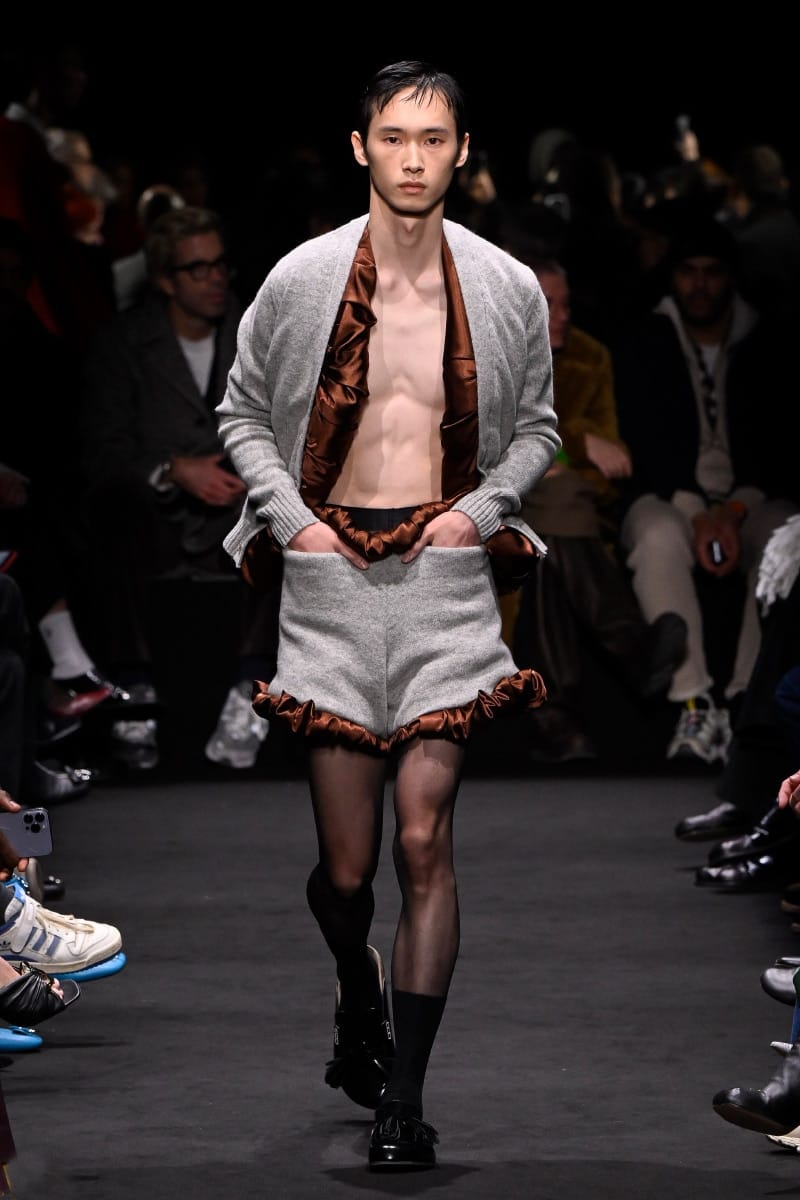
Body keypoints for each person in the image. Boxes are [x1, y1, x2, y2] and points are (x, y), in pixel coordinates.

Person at [215, 61, 560, 1170]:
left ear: (462, 150)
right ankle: (354, 990)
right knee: (348, 871)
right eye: (395, 138)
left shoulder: (504, 285)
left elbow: (538, 428)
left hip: (444, 585)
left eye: (434, 139)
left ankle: (401, 1101)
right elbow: (240, 414)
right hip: (327, 587)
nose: (414, 159)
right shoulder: (302, 277)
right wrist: (291, 523)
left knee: (423, 838)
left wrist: (480, 513)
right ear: (361, 146)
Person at [80, 206, 279, 771]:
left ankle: (251, 688)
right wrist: (173, 469)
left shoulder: (257, 333)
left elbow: (296, 427)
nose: (215, 278)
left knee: (285, 513)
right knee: (114, 507)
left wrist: (253, 471)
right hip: (155, 516)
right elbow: (102, 450)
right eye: (198, 269)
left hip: (239, 508)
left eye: (220, 265)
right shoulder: (125, 343)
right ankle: (134, 690)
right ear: (165, 280)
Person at [613, 214, 800, 764]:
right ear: (673, 276)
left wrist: (734, 511)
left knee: (788, 538)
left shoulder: (766, 343)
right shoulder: (647, 340)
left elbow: (780, 446)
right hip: (671, 496)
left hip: (751, 497)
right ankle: (693, 702)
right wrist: (699, 515)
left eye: (712, 272)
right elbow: (644, 443)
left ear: (731, 276)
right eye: (688, 271)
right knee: (654, 534)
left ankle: (748, 702)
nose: (699, 285)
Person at [505, 253, 687, 761]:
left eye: (566, 304)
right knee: (555, 506)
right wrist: (575, 444)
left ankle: (555, 719)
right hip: (492, 500)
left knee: (552, 526)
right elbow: (481, 443)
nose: (562, 315)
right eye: (549, 304)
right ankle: (634, 648)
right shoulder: (481, 353)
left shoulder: (589, 356)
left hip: (570, 511)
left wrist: (556, 458)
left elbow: (613, 466)